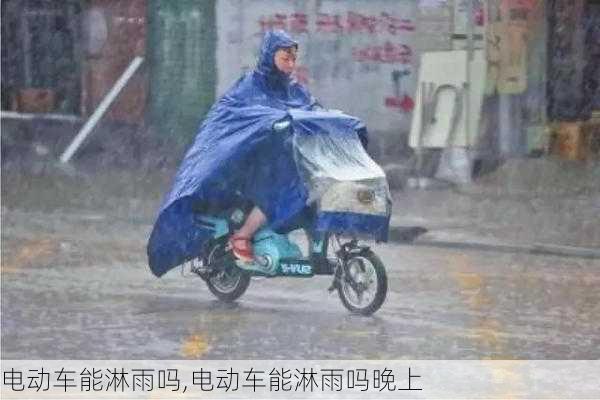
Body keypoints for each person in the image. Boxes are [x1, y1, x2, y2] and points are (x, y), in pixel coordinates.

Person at [146, 30, 319, 276]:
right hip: (246, 163)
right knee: (286, 184)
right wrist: (270, 121)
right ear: (270, 57)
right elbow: (236, 117)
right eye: (285, 58)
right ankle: (242, 236)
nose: (290, 64)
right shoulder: (250, 87)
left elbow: (311, 109)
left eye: (293, 58)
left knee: (306, 180)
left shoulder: (293, 90)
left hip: (277, 159)